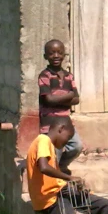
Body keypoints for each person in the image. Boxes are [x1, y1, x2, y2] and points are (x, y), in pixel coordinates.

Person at [38, 39, 82, 174]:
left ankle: (62, 166)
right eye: (51, 53)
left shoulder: (69, 76)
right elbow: (48, 100)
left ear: (64, 55)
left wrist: (60, 98)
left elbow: (76, 99)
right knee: (54, 152)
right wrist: (68, 96)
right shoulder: (44, 76)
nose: (56, 56)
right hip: (50, 124)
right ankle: (55, 182)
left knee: (76, 146)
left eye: (59, 53)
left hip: (65, 122)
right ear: (45, 57)